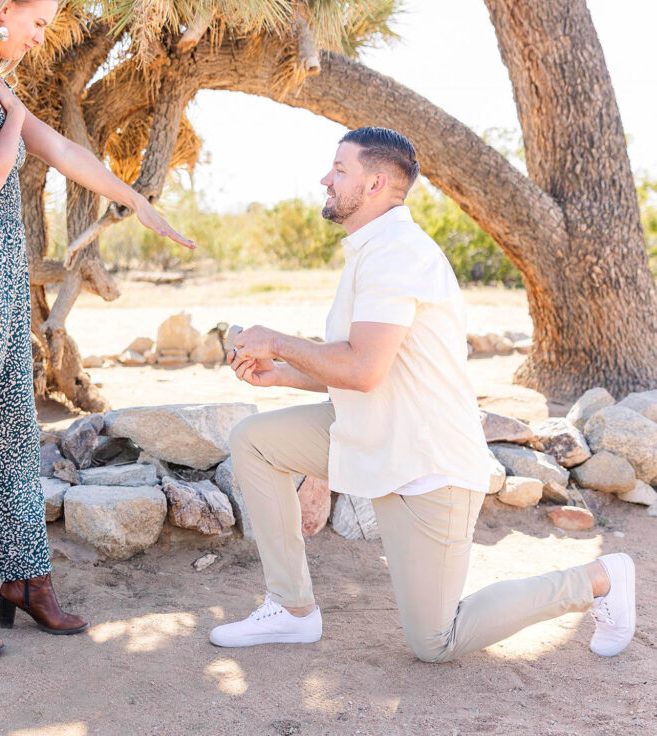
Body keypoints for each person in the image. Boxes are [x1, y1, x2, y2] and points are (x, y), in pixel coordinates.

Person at [210, 127, 635, 661]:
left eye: (339, 170)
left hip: (427, 462)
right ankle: (292, 609)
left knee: (436, 640)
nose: (325, 178)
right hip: (373, 435)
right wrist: (285, 373)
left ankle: (600, 578)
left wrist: (276, 341)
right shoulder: (371, 249)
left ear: (376, 184)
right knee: (255, 440)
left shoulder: (397, 254)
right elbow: (374, 367)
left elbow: (362, 369)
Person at [0, 0, 194, 660]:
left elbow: (62, 147)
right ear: (2, 10)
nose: (40, 36)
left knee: (11, 438)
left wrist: (135, 200)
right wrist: (9, 120)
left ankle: (25, 583)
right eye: (35, 22)